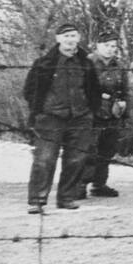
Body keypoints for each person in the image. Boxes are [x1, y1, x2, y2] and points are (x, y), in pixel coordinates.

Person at [23, 22, 101, 214]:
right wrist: (40, 111)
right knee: (44, 159)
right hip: (51, 118)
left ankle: (66, 197)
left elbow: (94, 91)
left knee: (76, 160)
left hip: (80, 118)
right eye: (66, 36)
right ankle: (37, 200)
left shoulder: (86, 63)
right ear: (58, 39)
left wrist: (90, 113)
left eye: (73, 36)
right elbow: (29, 90)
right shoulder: (44, 63)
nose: (70, 40)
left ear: (79, 39)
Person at [84, 29, 129, 198]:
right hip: (92, 113)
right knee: (89, 150)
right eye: (107, 45)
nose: (110, 49)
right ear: (97, 46)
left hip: (112, 114)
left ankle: (99, 184)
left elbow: (124, 90)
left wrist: (124, 109)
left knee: (107, 150)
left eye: (113, 46)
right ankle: (80, 184)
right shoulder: (88, 63)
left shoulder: (118, 66)